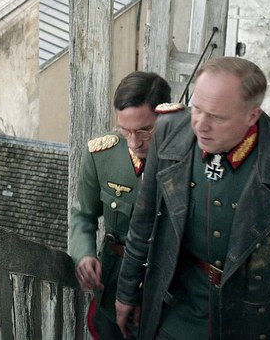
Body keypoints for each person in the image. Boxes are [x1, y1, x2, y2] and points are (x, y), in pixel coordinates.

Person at [115, 57, 270, 340]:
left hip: (252, 323)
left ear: (252, 116)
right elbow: (143, 221)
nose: (200, 125)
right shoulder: (169, 130)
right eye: (197, 109)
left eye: (217, 117)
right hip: (176, 314)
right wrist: (126, 291)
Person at [69, 71, 179, 339]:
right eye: (125, 130)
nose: (134, 142)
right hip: (115, 282)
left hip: (171, 287)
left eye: (144, 130)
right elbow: (83, 216)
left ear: (165, 115)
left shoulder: (187, 158)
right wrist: (84, 254)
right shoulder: (101, 155)